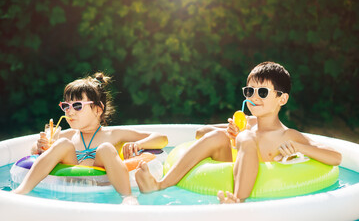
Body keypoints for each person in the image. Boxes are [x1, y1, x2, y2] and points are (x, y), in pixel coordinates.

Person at [135, 61, 342, 203]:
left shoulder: (287, 135)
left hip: (259, 193)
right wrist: (231, 132)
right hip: (231, 165)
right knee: (219, 136)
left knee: (245, 136)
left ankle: (238, 201)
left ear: (282, 99)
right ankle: (160, 185)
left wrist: (297, 147)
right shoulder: (246, 125)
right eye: (249, 91)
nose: (254, 96)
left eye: (262, 92)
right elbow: (200, 133)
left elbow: (336, 156)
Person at [11, 72, 168, 205]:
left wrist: (138, 144)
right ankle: (22, 191)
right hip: (72, 186)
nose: (70, 112)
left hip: (103, 185)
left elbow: (161, 138)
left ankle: (127, 197)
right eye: (66, 106)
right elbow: (34, 153)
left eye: (77, 106)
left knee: (105, 148)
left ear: (98, 109)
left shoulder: (113, 135)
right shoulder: (65, 136)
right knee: (63, 144)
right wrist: (41, 146)